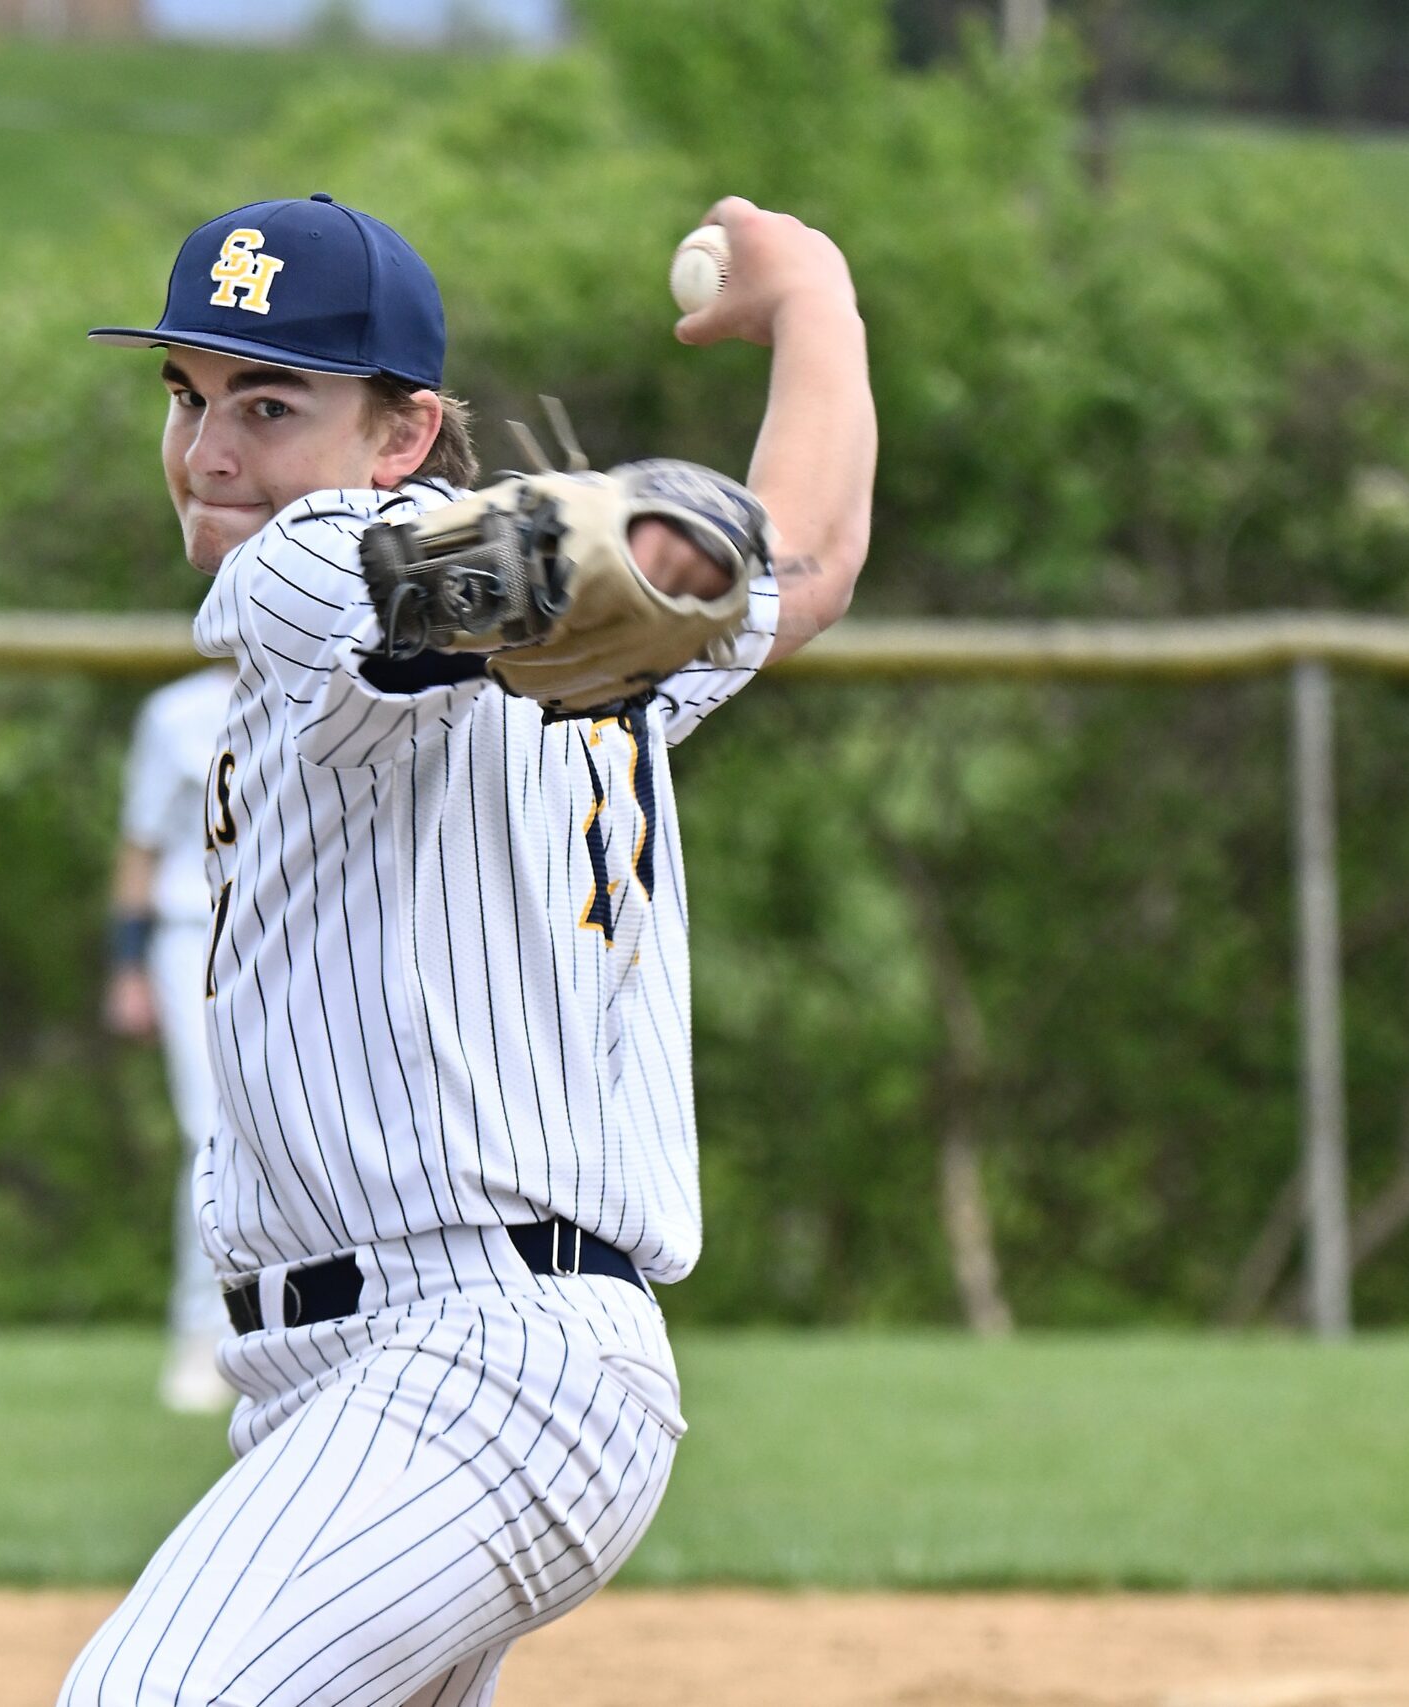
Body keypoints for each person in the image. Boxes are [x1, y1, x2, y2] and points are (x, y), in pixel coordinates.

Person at [60, 190, 875, 1707]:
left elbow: (410, 587)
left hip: (475, 1360)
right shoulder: (596, 674)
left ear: (402, 432)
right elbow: (811, 558)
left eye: (271, 401)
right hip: (364, 1381)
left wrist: (601, 552)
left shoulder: (307, 557)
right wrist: (816, 301)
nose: (211, 450)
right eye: (187, 397)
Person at [106, 663, 241, 1414]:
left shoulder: (335, 683)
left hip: (302, 930)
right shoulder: (177, 713)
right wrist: (127, 968)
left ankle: (304, 1326)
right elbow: (141, 843)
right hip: (193, 935)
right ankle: (203, 1331)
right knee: (212, 1132)